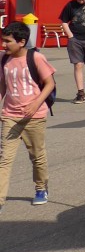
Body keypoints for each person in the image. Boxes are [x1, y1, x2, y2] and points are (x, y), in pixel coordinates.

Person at [0, 21, 56, 212]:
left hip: (34, 116)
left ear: (21, 42)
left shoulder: (36, 58)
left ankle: (41, 188)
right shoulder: (4, 60)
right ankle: (0, 199)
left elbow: (49, 83)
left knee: (37, 156)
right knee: (4, 159)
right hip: (10, 116)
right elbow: (3, 86)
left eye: (8, 41)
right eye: (3, 41)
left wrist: (36, 103)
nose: (4, 45)